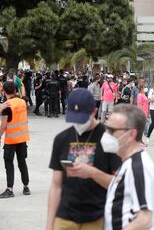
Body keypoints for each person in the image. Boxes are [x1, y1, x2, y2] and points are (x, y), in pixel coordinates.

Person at [46, 89, 121, 230]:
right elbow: (56, 185)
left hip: (96, 217)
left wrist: (92, 173)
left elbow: (119, 184)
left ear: (94, 112)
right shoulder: (61, 139)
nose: (78, 123)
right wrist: (49, 224)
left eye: (82, 118)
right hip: (64, 217)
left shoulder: (109, 140)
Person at [102, 104, 154, 230]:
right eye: (106, 128)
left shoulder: (138, 166)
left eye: (111, 130)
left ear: (131, 134)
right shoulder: (128, 162)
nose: (106, 134)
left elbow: (144, 219)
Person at [0, 81, 30, 198]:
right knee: (22, 162)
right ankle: (26, 187)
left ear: (4, 91)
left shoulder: (6, 106)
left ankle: (9, 189)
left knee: (9, 164)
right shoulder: (22, 102)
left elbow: (3, 126)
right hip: (22, 138)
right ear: (15, 90)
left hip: (11, 140)